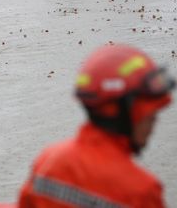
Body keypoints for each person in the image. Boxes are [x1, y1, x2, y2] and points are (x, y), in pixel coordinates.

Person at [18, 44, 175, 208]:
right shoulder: (142, 190)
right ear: (122, 112)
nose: (154, 122)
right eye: (149, 115)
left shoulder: (48, 160)